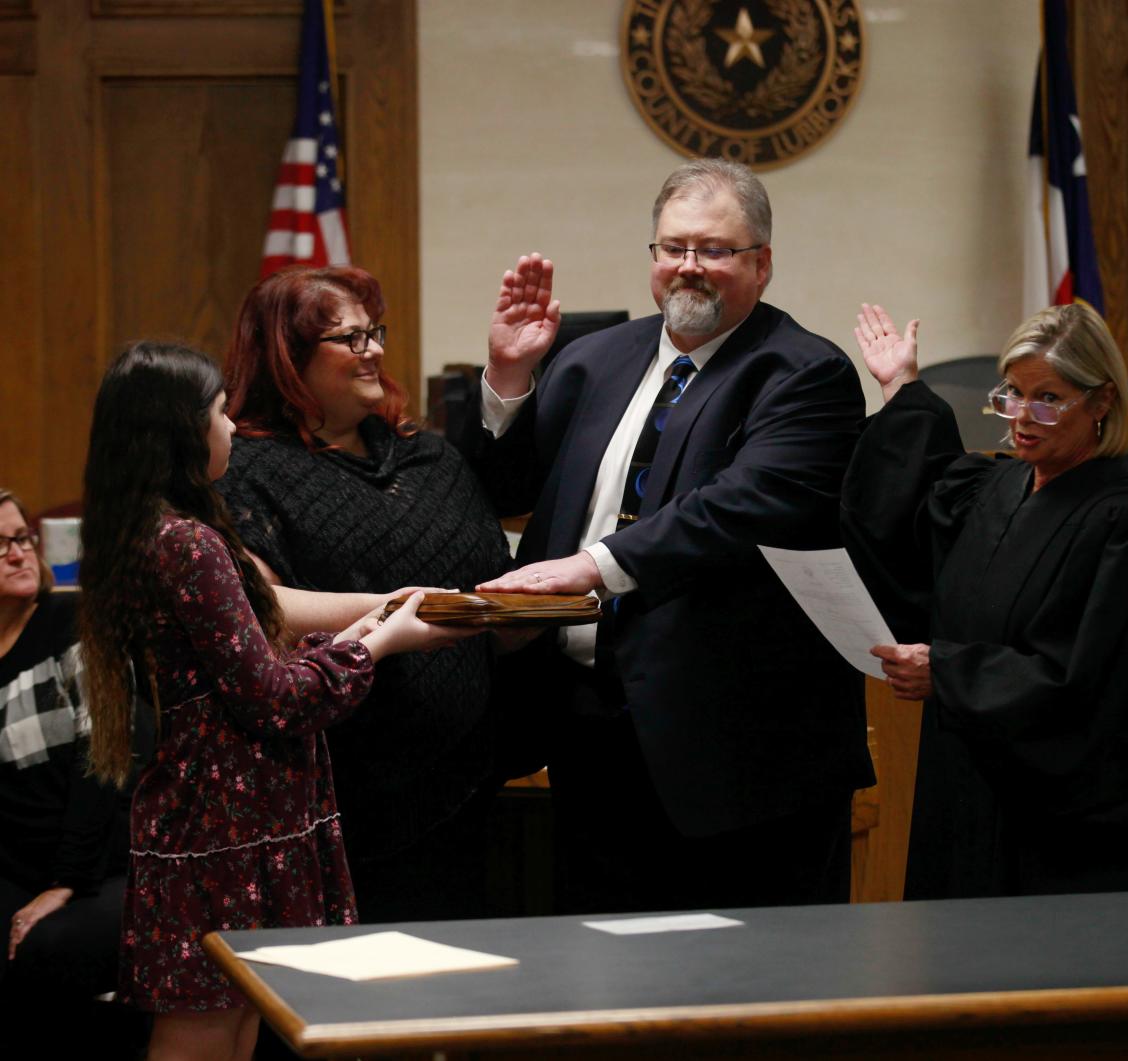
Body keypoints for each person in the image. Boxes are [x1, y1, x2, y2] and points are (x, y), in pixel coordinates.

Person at [458, 159, 874, 914]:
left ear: (762, 263)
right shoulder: (592, 360)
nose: (689, 267)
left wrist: (591, 566)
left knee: (743, 977)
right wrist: (509, 377)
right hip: (590, 727)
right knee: (606, 963)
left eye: (714, 249)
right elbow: (503, 490)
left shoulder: (803, 373)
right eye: (672, 247)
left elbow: (742, 507)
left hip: (737, 746)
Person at [78, 341, 474, 1061]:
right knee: (204, 1032)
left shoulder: (157, 530)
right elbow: (275, 700)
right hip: (223, 837)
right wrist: (384, 645)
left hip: (229, 830)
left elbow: (251, 669)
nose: (232, 428)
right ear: (180, 431)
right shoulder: (186, 543)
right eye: (221, 413)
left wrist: (367, 626)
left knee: (240, 1025)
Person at [841, 301, 1128, 898]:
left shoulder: (1123, 527)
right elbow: (925, 493)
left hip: (1063, 839)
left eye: (1049, 398)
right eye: (1012, 393)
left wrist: (949, 674)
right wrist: (901, 387)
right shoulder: (1006, 483)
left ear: (1102, 401)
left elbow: (1091, 692)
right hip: (971, 793)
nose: (1023, 418)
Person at [216, 266, 512, 924]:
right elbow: (262, 612)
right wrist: (391, 608)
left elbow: (490, 584)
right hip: (338, 790)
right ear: (287, 359)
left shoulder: (430, 459)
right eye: (349, 338)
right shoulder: (246, 468)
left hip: (470, 786)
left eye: (374, 332)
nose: (374, 349)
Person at [0, 488, 144, 1055]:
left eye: (21, 538)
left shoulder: (76, 623)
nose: (18, 553)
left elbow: (102, 767)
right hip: (17, 864)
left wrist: (65, 883)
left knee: (44, 950)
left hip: (105, 863)